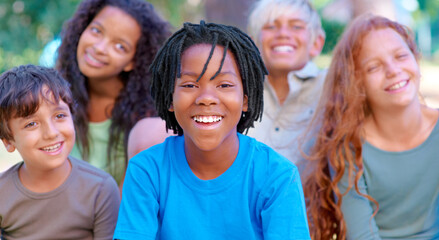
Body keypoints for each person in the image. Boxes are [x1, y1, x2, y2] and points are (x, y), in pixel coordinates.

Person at [113, 21, 311, 239]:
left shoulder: (277, 176)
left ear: (245, 100)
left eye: (224, 85)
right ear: (171, 99)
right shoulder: (147, 171)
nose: (206, 98)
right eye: (189, 85)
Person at [303, 14, 439, 239]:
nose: (393, 70)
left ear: (416, 58)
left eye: (401, 56)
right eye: (374, 67)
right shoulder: (349, 148)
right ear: (358, 83)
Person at [56, 0, 171, 187]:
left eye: (120, 46)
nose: (99, 48)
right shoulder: (54, 97)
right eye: (96, 31)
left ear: (132, 61)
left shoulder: (146, 121)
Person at [0, 65, 120, 240]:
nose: (51, 133)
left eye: (59, 116)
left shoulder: (100, 190)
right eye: (31, 124)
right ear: (9, 142)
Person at [246, 0, 326, 164]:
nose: (283, 34)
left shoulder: (332, 86)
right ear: (253, 44)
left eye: (296, 26)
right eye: (270, 26)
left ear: (316, 43)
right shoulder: (238, 91)